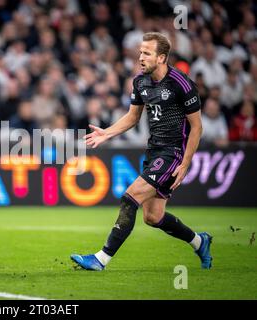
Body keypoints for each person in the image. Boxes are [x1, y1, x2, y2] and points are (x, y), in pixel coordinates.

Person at [71, 32, 213, 271]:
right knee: (153, 217)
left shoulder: (182, 83)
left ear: (162, 57)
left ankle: (101, 259)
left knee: (130, 197)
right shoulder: (140, 82)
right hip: (154, 151)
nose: (140, 57)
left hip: (173, 153)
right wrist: (107, 133)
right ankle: (200, 242)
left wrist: (185, 163)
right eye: (140, 52)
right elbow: (132, 117)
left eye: (147, 53)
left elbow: (197, 127)